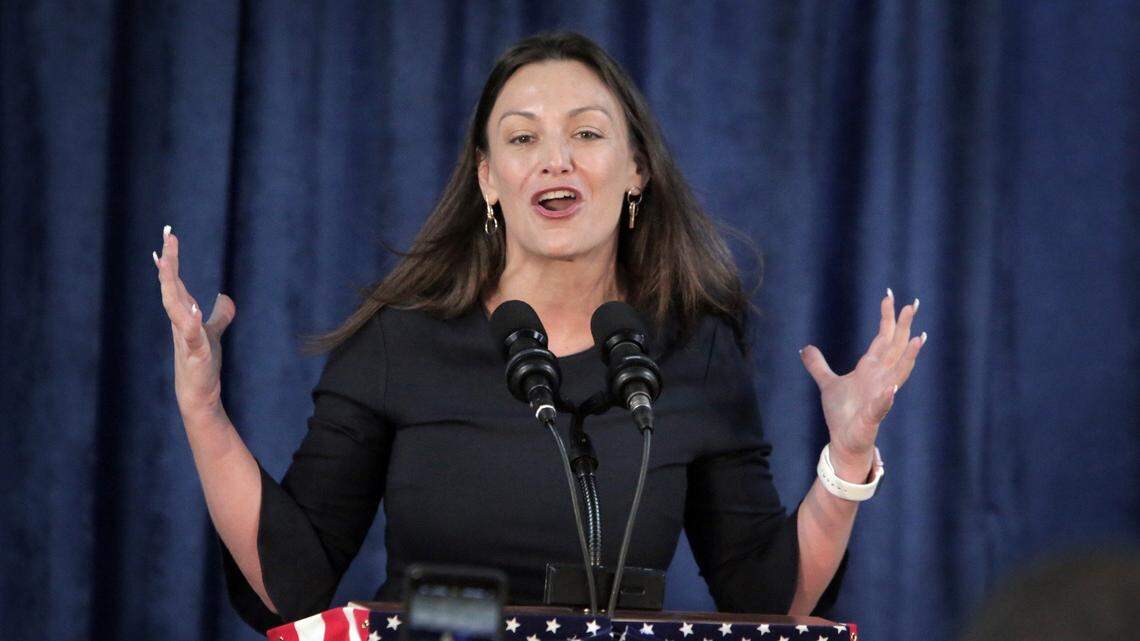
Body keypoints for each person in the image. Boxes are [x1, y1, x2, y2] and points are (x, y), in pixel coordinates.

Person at [154, 31, 926, 633]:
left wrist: (847, 460)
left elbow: (767, 599)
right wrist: (204, 409)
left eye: (587, 134)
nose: (556, 159)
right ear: (488, 178)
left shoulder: (694, 351)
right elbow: (293, 583)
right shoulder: (400, 341)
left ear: (637, 171)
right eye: (522, 138)